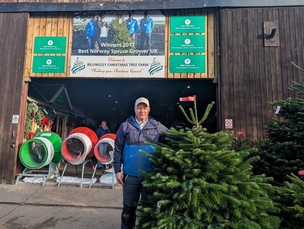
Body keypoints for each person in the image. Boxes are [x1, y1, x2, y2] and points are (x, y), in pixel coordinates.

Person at [113, 97, 168, 229]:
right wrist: (117, 170)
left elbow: (173, 137)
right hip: (130, 176)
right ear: (135, 109)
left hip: (150, 176)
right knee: (128, 209)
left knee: (149, 209)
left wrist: (191, 136)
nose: (141, 110)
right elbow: (118, 149)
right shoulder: (125, 126)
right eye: (139, 108)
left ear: (149, 109)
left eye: (144, 108)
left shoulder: (157, 126)